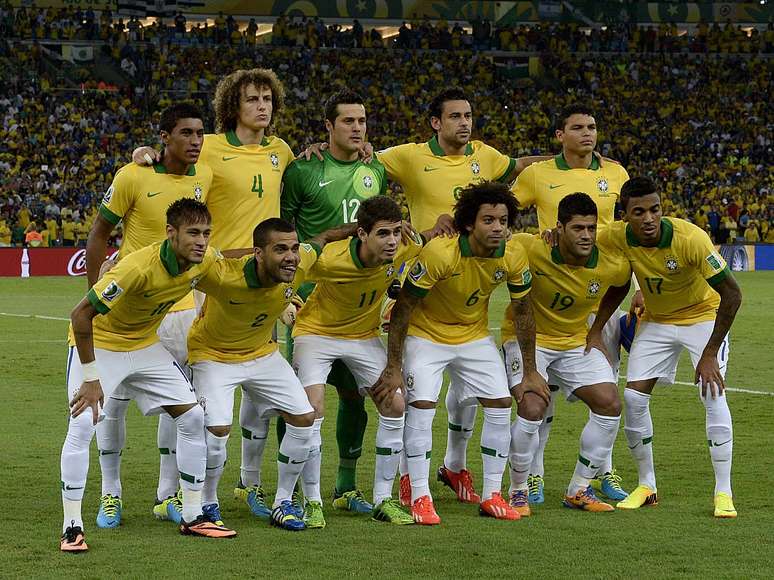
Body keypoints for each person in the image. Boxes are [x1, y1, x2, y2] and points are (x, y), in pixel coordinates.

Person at [132, 69, 296, 520]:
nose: (262, 106)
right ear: (232, 106)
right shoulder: (212, 150)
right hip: (214, 282)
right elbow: (176, 173)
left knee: (260, 392)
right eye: (252, 99)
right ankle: (170, 489)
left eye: (267, 98)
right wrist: (145, 153)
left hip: (264, 284)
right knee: (186, 389)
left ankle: (249, 484)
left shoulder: (282, 151)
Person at [375, 87, 547, 505]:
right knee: (421, 399)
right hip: (424, 277)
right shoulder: (410, 156)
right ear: (436, 122)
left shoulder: (486, 156)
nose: (464, 123)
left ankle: (457, 468)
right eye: (455, 116)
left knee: (469, 396)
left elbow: (521, 164)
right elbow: (362, 161)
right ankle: (408, 481)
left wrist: (573, 161)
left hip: (469, 301)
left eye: (468, 115)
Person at [59, 199, 234, 553]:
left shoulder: (204, 260)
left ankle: (193, 515)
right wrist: (91, 379)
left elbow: (231, 257)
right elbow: (81, 316)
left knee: (193, 416)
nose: (202, 241)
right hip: (102, 343)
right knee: (82, 423)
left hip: (144, 345)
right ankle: (71, 527)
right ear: (171, 233)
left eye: (206, 233)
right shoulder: (136, 268)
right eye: (193, 233)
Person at [587, 177, 742, 518]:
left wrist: (709, 354)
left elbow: (732, 294)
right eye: (638, 211)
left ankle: (723, 492)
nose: (648, 218)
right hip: (657, 322)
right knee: (632, 397)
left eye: (654, 209)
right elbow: (614, 280)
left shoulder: (690, 239)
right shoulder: (615, 236)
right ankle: (647, 485)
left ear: (662, 208)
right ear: (624, 215)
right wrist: (597, 329)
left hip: (702, 318)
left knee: (712, 393)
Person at [87, 102, 212, 527]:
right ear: (164, 137)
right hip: (130, 304)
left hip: (180, 307)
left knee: (178, 404)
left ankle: (167, 494)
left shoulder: (205, 174)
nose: (195, 141)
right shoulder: (133, 174)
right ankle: (111, 494)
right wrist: (95, 290)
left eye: (200, 134)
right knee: (113, 404)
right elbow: (100, 231)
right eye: (186, 134)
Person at [188, 218, 351, 532]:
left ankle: (283, 501)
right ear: (258, 254)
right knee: (217, 430)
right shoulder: (222, 275)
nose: (290, 256)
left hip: (262, 354)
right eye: (280, 250)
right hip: (213, 356)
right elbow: (180, 266)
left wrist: (353, 227)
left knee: (305, 417)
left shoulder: (299, 265)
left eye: (292, 248)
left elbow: (324, 237)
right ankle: (207, 503)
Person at [508, 103, 633, 504]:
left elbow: (627, 234)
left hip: (597, 292)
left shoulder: (616, 172)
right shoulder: (537, 174)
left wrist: (601, 324)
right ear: (560, 134)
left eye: (592, 126)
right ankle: (531, 478)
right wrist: (542, 239)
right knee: (538, 397)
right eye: (577, 127)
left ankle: (600, 473)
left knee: (608, 391)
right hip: (549, 278)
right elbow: (506, 212)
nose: (587, 133)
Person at [281, 89, 391, 514]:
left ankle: (345, 486)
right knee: (299, 400)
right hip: (311, 298)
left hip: (358, 301)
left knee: (353, 395)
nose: (357, 128)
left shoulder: (375, 167)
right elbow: (284, 230)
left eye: (362, 121)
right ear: (328, 126)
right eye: (348, 121)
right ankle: (290, 489)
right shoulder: (303, 170)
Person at [292, 196, 432, 528]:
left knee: (396, 404)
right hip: (316, 334)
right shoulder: (330, 259)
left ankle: (384, 499)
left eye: (397, 232)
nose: (393, 240)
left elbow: (433, 238)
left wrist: (439, 227)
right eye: (383, 233)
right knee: (312, 411)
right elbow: (290, 266)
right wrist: (291, 300)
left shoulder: (404, 249)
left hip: (362, 337)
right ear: (362, 234)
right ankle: (312, 502)